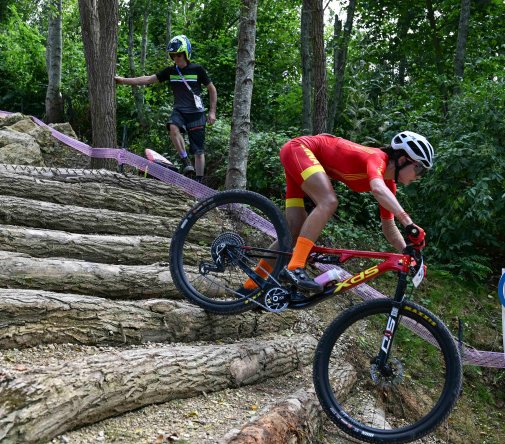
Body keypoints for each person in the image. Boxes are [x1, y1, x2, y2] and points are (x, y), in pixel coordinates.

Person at [246, 131, 434, 293]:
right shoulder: (378, 158)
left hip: (302, 159)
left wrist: (409, 254)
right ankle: (295, 267)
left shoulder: (388, 186)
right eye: (419, 168)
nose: (419, 175)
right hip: (300, 149)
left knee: (293, 232)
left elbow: (389, 228)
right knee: (328, 201)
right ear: (402, 160)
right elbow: (376, 188)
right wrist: (409, 224)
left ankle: (249, 287)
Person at [114, 35, 217, 183]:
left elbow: (212, 90)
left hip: (196, 113)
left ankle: (199, 183)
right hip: (180, 111)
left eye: (179, 55)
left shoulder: (198, 70)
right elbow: (148, 79)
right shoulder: (171, 71)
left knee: (199, 152)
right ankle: (186, 162)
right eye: (173, 56)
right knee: (173, 127)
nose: (176, 58)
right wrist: (123, 81)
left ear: (186, 53)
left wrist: (212, 112)